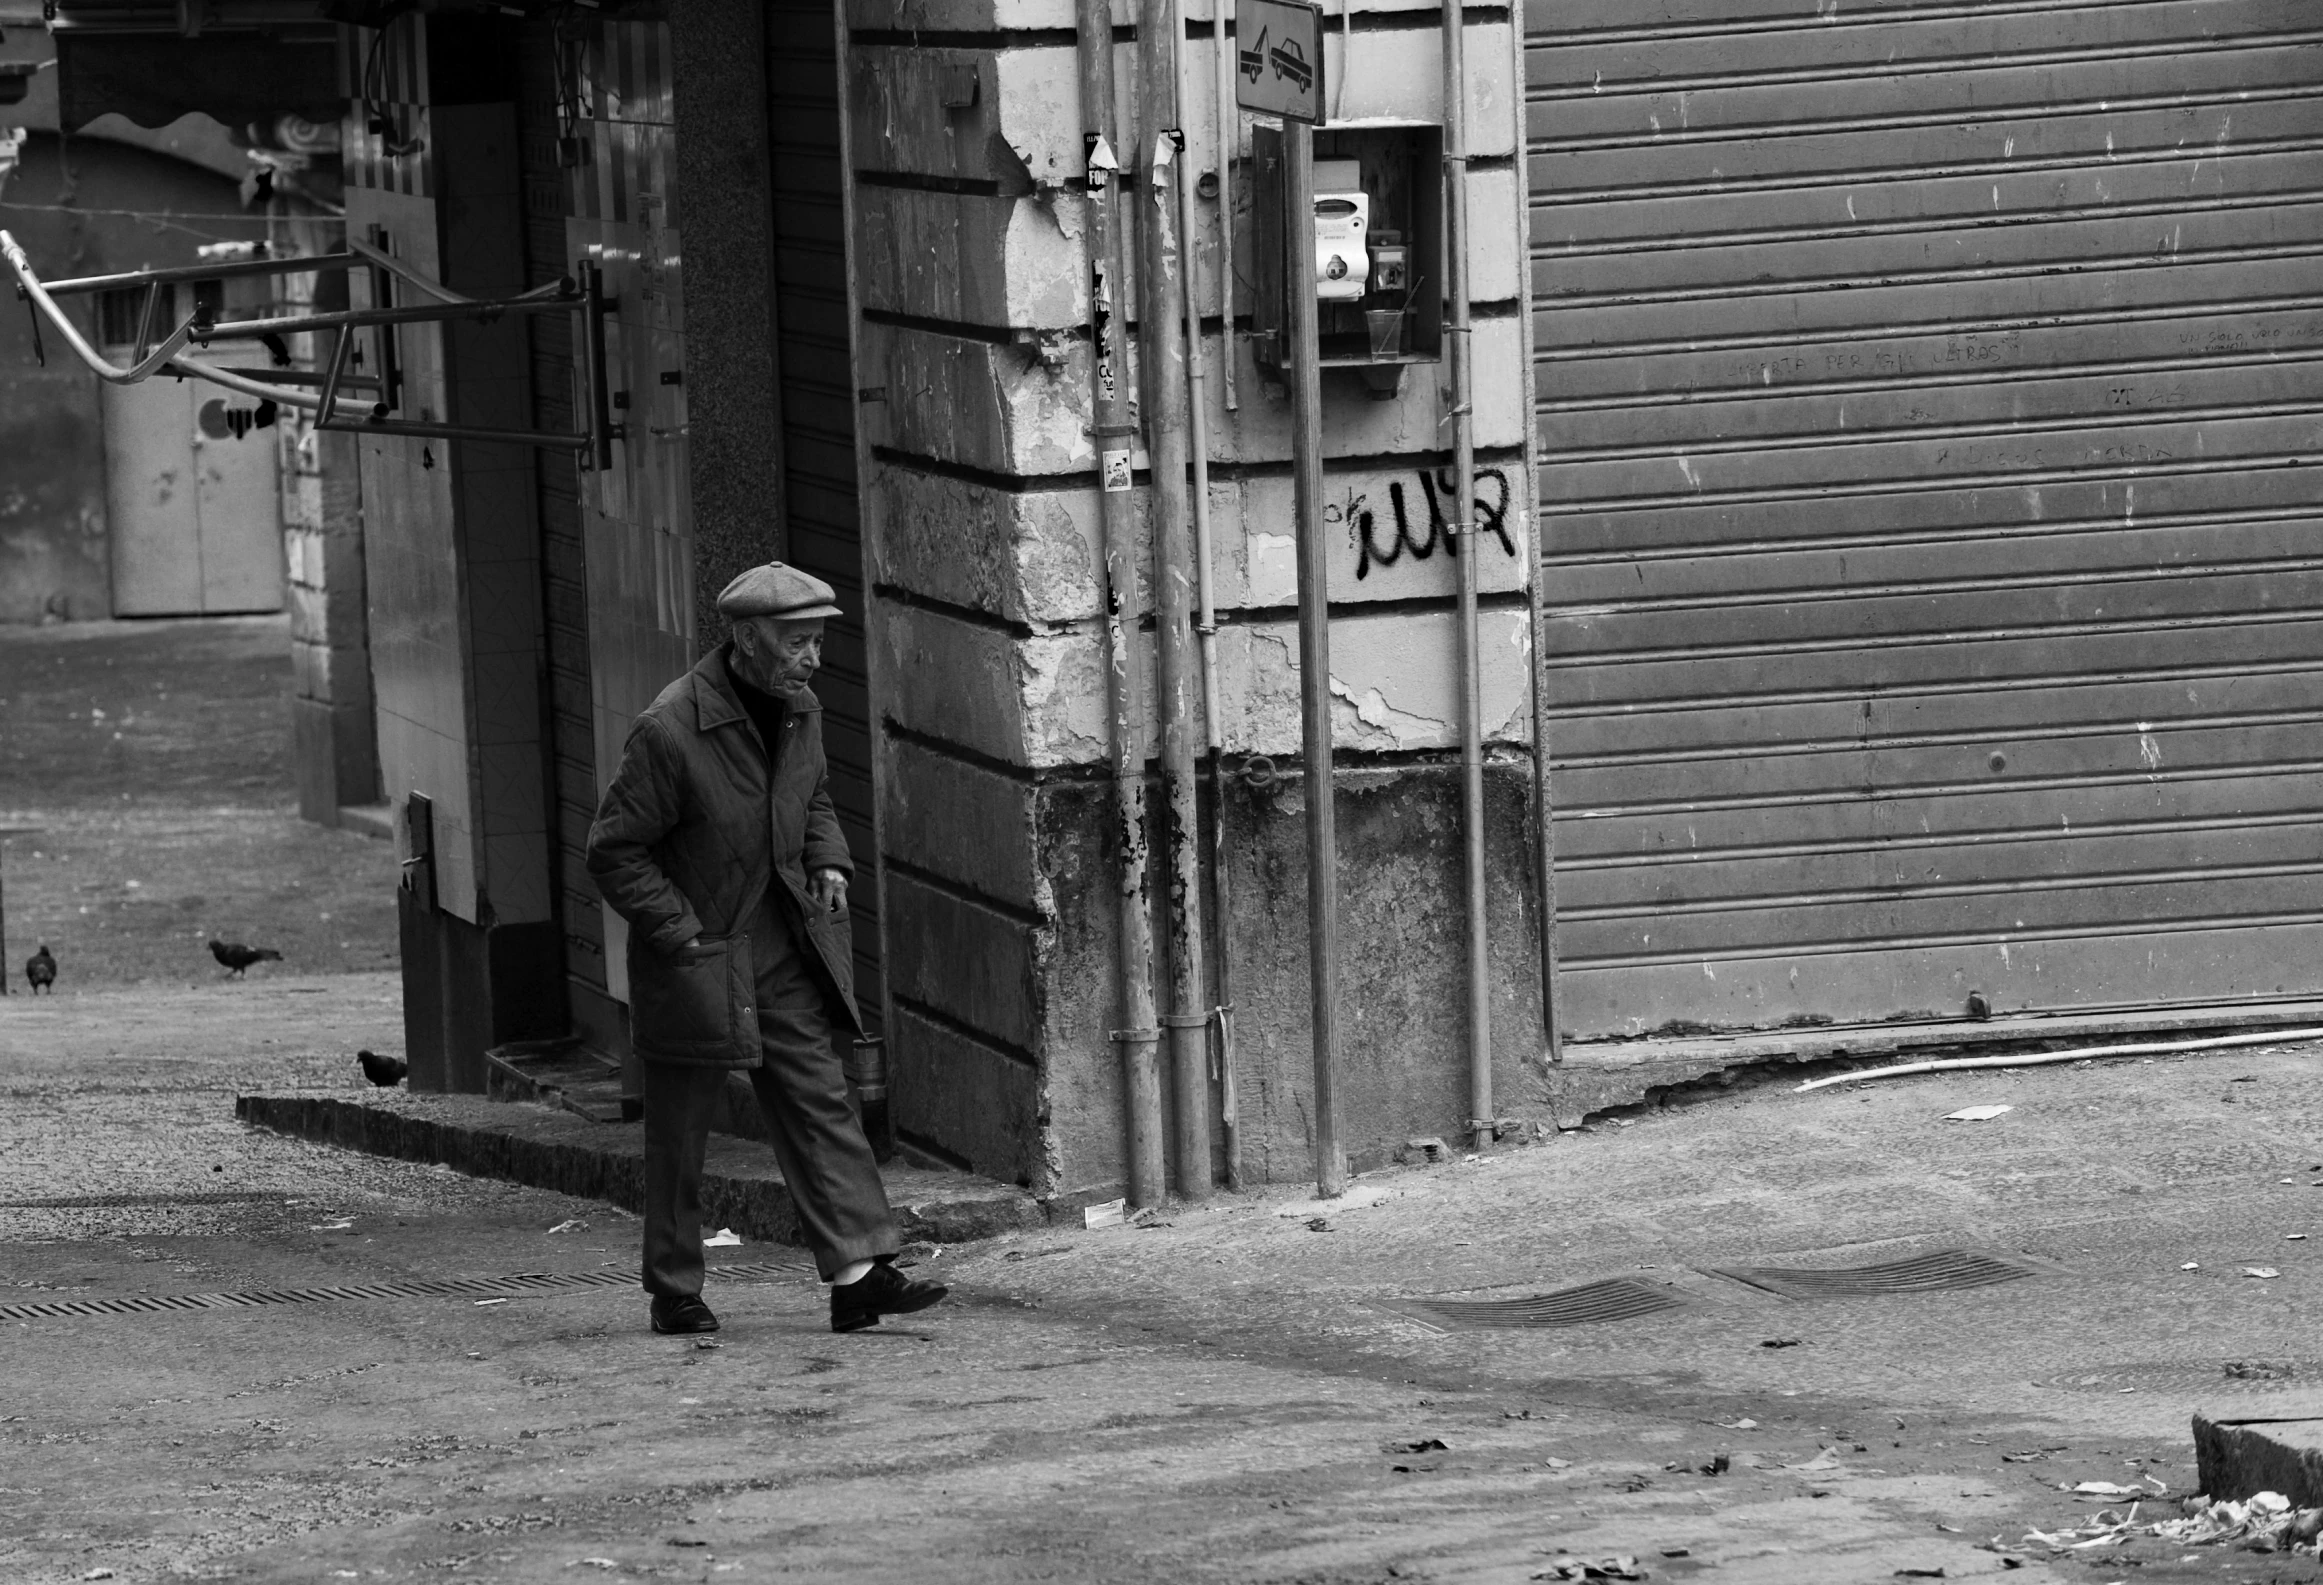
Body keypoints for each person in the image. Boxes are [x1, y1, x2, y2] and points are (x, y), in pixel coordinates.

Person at [586, 562, 947, 1336]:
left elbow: (812, 796)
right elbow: (614, 851)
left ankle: (857, 1273)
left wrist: (827, 859)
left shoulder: (799, 711)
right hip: (697, 954)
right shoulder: (669, 728)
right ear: (747, 639)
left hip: (780, 942)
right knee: (680, 1131)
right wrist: (679, 930)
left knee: (819, 1096)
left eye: (817, 640)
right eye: (795, 641)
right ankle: (673, 1287)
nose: (811, 657)